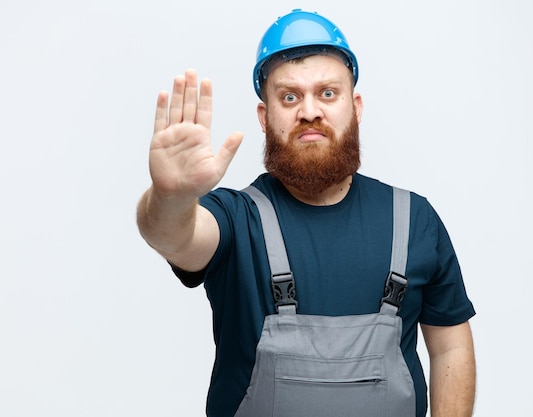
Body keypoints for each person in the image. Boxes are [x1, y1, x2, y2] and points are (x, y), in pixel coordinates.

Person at [137, 9, 476, 417]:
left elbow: (451, 346)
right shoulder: (236, 217)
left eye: (327, 93)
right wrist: (170, 197)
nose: (310, 111)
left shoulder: (415, 220)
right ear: (265, 117)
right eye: (290, 96)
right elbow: (175, 235)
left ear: (356, 106)